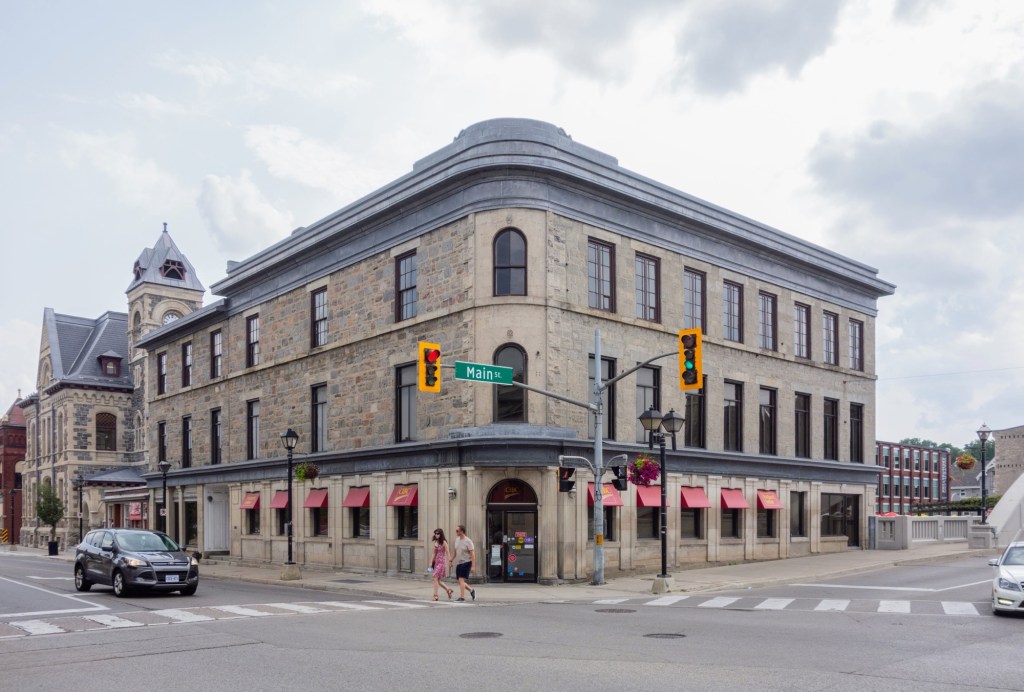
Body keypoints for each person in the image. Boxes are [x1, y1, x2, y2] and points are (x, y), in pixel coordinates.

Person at [450, 524, 476, 601]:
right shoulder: (457, 540)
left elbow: (472, 554)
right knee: (459, 580)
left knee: (461, 579)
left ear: (462, 531)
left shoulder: (468, 541)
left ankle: (462, 597)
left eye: (457, 531)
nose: (456, 532)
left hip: (467, 562)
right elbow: (455, 552)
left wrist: (473, 566)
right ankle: (471, 590)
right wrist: (450, 560)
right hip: (459, 563)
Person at [430, 528, 453, 601]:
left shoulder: (444, 542)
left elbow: (447, 552)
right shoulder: (436, 542)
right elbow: (434, 553)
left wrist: (450, 561)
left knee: (435, 577)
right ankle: (448, 589)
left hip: (442, 562)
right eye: (435, 533)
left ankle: (435, 595)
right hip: (436, 562)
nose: (436, 535)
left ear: (441, 534)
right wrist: (431, 562)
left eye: (438, 534)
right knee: (438, 580)